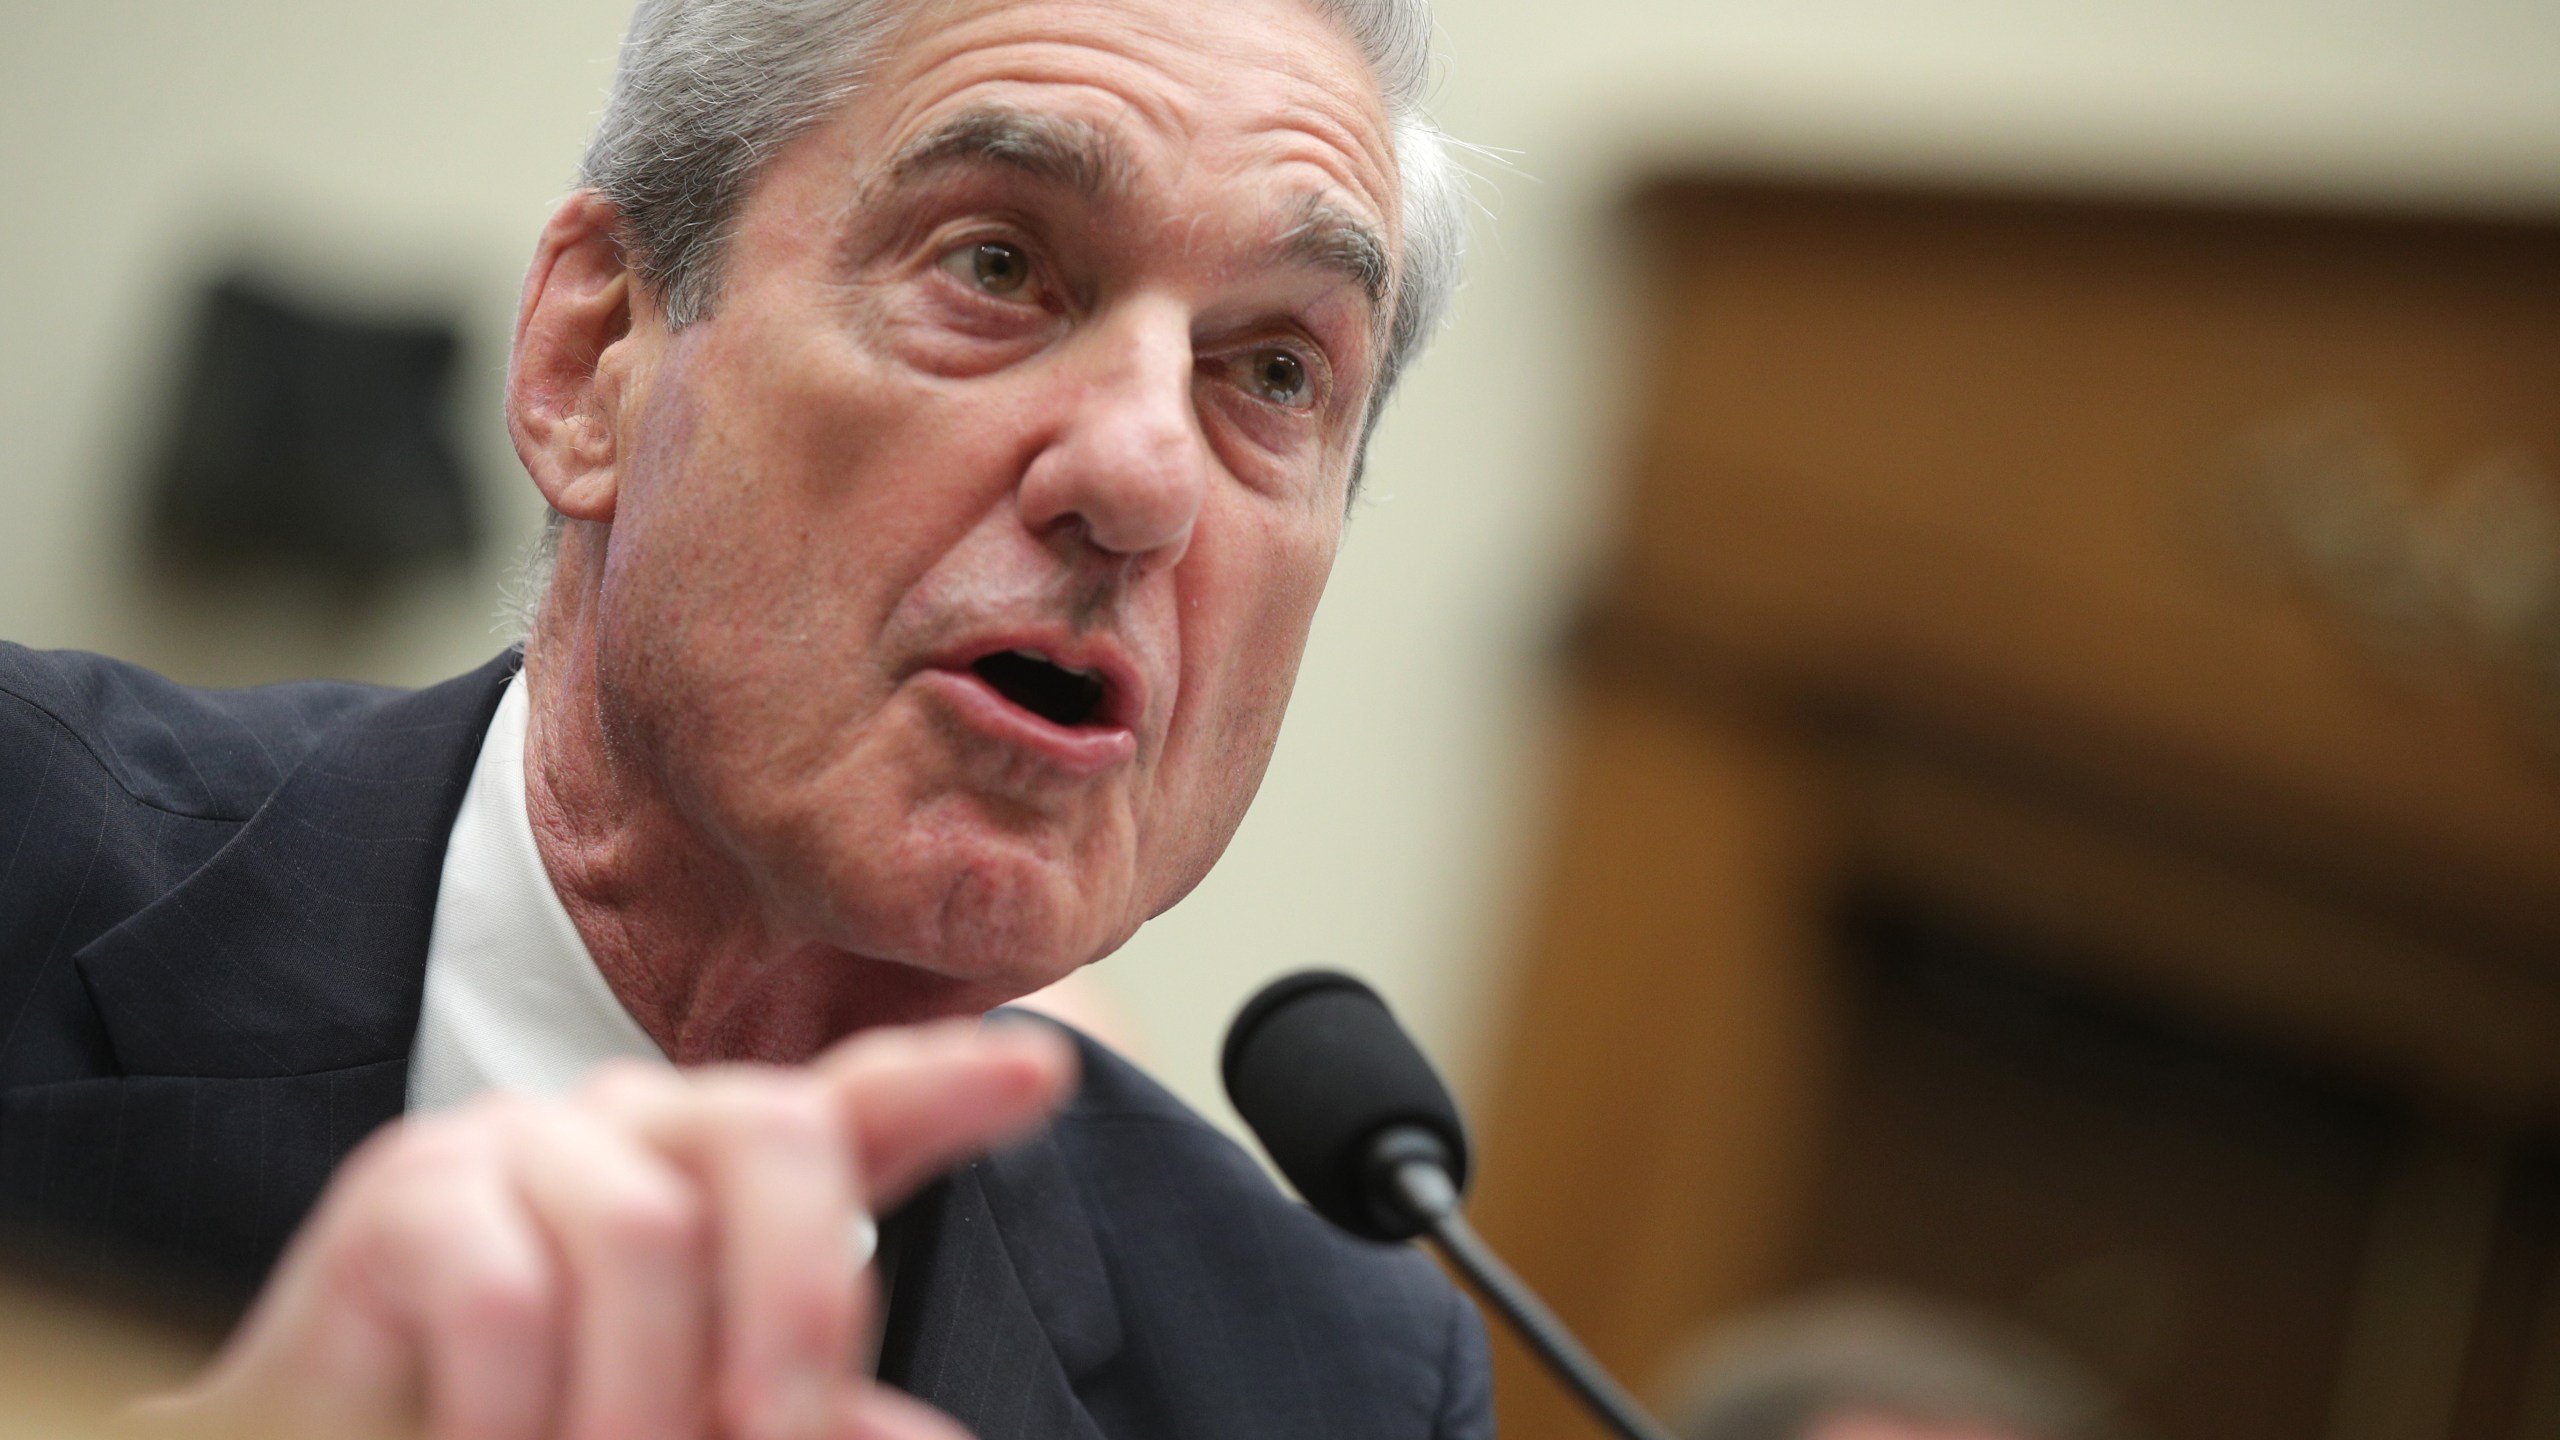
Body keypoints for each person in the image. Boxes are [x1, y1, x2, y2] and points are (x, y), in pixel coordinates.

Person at [0, 0, 1490, 1435]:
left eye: (1276, 372)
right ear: (593, 360)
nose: (1144, 478)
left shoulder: (1332, 1383)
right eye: (996, 264)